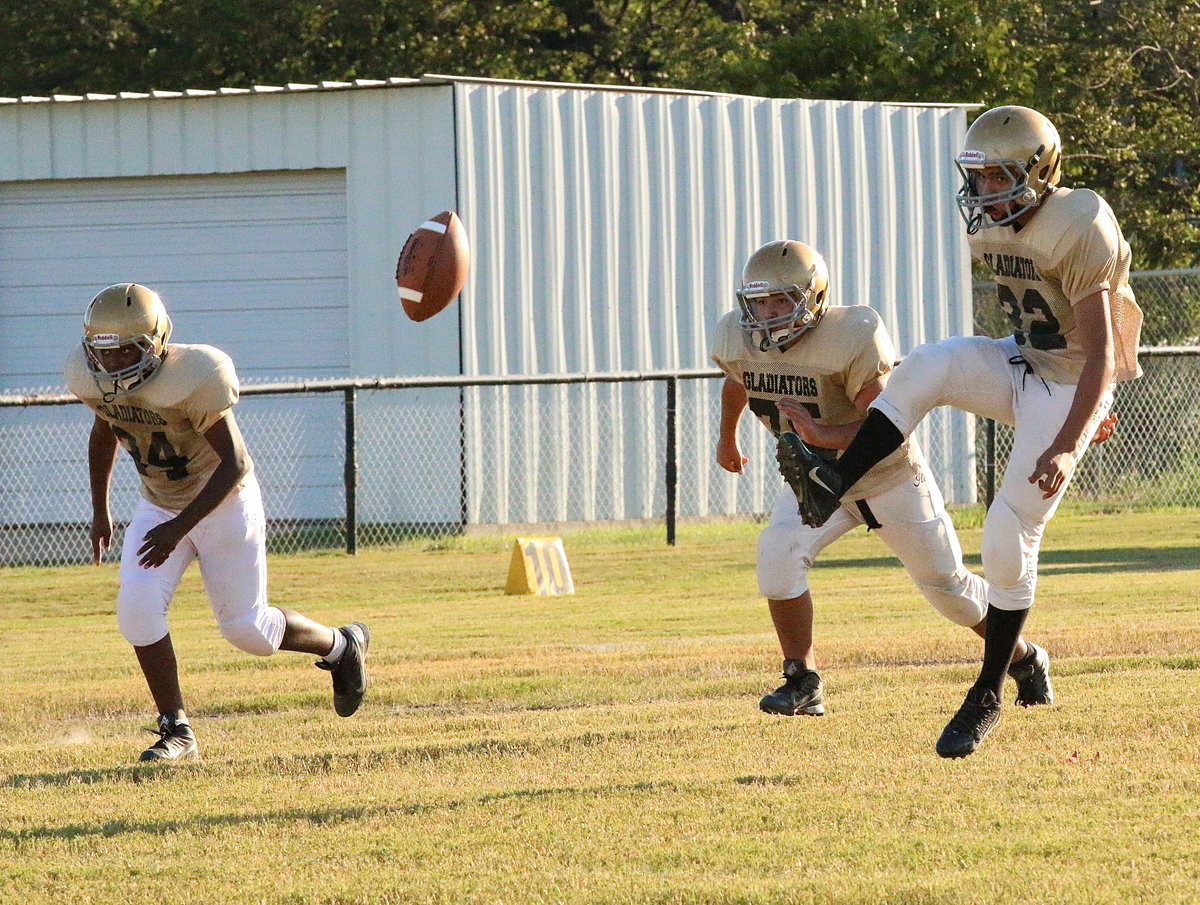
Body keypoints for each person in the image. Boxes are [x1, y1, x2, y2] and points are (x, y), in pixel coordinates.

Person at [777, 105, 1142, 758]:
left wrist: (1069, 437)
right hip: (1023, 360)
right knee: (928, 364)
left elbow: (1103, 354)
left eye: (1000, 177)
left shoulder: (1080, 222)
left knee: (1006, 533)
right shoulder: (995, 225)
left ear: (1041, 170)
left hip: (1069, 385)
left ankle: (990, 690)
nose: (985, 192)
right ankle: (834, 476)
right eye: (978, 177)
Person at [712, 239, 1054, 721]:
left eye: (779, 301)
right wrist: (727, 439)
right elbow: (738, 381)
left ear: (812, 297)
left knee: (949, 590)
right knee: (776, 554)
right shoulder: (738, 337)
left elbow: (889, 421)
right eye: (758, 302)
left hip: (888, 478)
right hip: (816, 479)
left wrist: (823, 432)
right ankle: (802, 679)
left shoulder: (852, 334)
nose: (766, 314)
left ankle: (1023, 657)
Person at [65, 283, 371, 763]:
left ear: (156, 341)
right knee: (137, 607)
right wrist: (99, 507)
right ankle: (177, 730)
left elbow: (236, 465)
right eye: (103, 353)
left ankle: (341, 646)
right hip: (160, 504)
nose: (113, 364)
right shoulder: (95, 379)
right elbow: (104, 430)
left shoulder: (193, 376)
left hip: (223, 500)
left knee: (247, 630)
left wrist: (178, 528)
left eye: (126, 349)